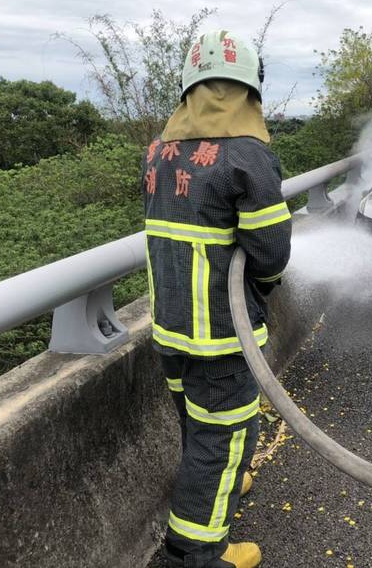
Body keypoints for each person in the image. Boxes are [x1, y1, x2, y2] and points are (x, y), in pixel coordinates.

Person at [140, 30, 292, 568]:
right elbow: (270, 250)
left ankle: (224, 477)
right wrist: (266, 288)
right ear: (250, 91)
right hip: (223, 335)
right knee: (223, 431)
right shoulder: (249, 156)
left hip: (169, 327)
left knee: (196, 420)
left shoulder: (158, 150)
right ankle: (196, 553)